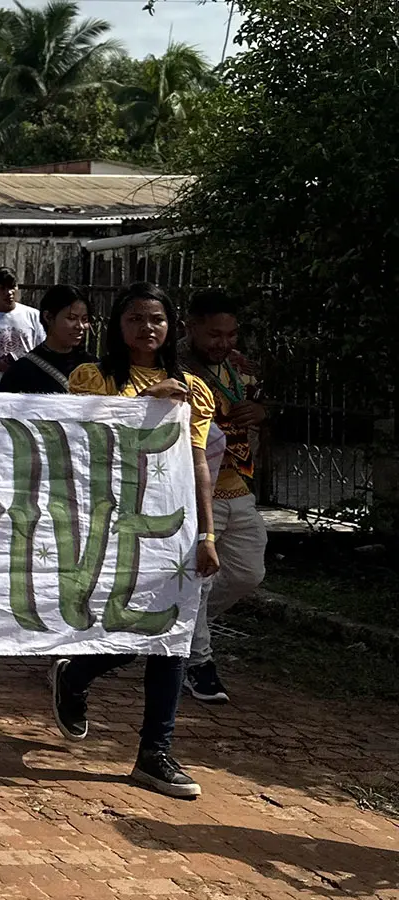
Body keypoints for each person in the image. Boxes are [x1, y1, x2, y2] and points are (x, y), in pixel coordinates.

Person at [53, 281, 220, 799]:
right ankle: (77, 675)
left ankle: (155, 752)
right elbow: (82, 440)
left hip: (170, 527)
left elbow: (197, 465)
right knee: (124, 629)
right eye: (134, 319)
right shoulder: (92, 378)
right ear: (117, 326)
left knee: (170, 635)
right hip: (108, 521)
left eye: (156, 319)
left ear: (170, 327)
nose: (146, 328)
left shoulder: (195, 388)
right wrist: (147, 402)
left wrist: (207, 532)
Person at [179, 289, 267, 704]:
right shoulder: (172, 367)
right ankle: (198, 663)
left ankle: (179, 623)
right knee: (198, 576)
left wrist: (262, 413)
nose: (224, 342)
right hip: (194, 489)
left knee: (249, 573)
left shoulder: (239, 367)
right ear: (190, 327)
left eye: (231, 333)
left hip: (240, 485)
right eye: (214, 334)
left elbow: (256, 410)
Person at [0, 284, 95, 394]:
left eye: (85, 319)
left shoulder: (94, 368)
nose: (80, 326)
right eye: (72, 318)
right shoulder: (21, 372)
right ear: (48, 317)